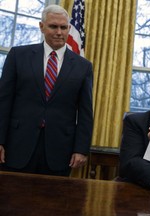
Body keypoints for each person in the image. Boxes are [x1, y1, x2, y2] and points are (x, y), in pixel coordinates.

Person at [0, 4, 93, 176]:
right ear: (41, 27)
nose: (59, 32)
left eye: (63, 27)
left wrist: (81, 148)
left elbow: (86, 112)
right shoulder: (18, 56)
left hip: (60, 150)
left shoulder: (83, 66)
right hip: (17, 145)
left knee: (54, 201)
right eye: (53, 26)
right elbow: (3, 101)